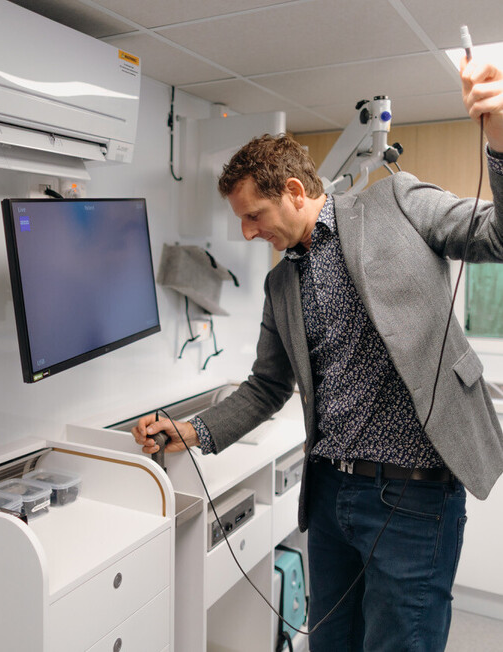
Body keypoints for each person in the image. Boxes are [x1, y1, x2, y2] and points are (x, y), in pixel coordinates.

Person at [133, 56, 503, 651]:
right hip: (331, 496)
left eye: (254, 215)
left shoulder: (397, 205)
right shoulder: (281, 285)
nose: (249, 233)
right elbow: (265, 387)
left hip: (414, 496)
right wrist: (192, 430)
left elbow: (498, 234)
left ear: (296, 192)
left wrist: (500, 139)